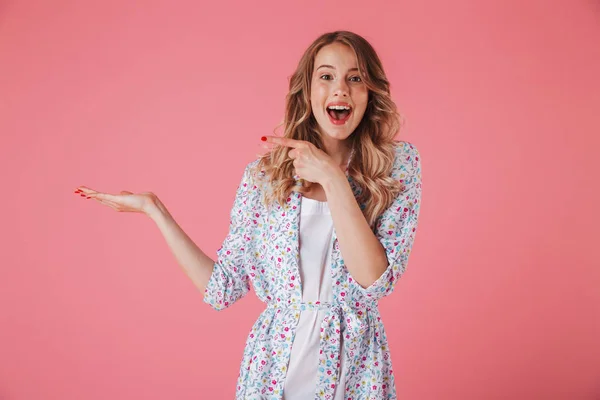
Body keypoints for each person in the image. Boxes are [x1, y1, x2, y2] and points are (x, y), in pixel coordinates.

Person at [74, 30, 422, 400]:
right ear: (307, 90)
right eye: (326, 76)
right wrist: (154, 211)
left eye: (355, 78)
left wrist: (333, 178)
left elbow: (375, 281)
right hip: (272, 371)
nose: (340, 90)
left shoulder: (396, 166)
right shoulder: (264, 176)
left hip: (355, 370)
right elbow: (222, 289)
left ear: (370, 92)